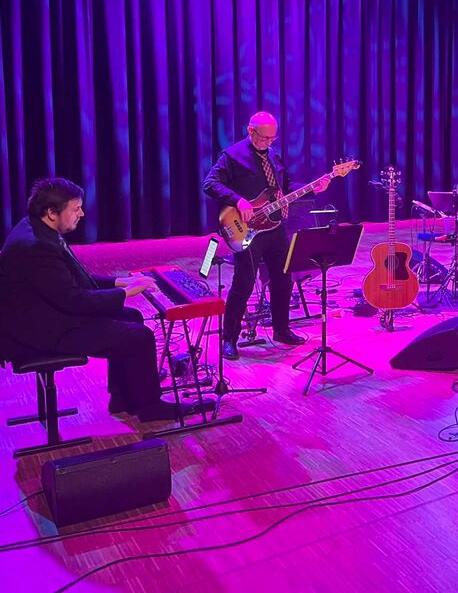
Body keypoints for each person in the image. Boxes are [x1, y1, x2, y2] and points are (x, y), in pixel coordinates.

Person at [0, 178, 188, 422]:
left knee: (131, 316)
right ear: (51, 212)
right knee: (139, 336)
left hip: (45, 312)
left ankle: (123, 397)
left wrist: (120, 282)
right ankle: (151, 407)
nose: (82, 214)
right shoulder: (36, 246)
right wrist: (127, 293)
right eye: (76, 208)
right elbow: (73, 300)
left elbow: (74, 278)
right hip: (40, 330)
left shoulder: (38, 228)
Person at [203, 112, 329, 360]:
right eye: (264, 138)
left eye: (272, 138)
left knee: (283, 280)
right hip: (247, 229)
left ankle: (281, 329)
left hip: (275, 227)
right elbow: (210, 183)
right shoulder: (232, 156)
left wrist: (313, 188)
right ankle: (229, 338)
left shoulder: (274, 155)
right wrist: (238, 200)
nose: (268, 143)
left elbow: (286, 189)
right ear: (250, 131)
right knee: (244, 284)